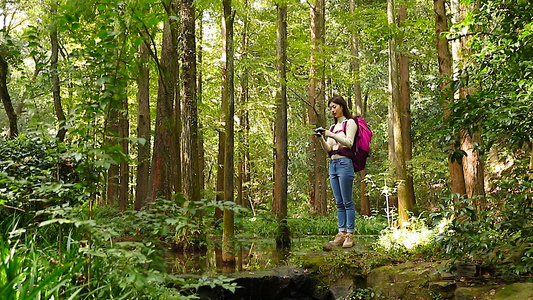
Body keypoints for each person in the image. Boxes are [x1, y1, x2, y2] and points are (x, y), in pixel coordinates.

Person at [314, 95, 357, 248]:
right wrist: (321, 138)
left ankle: (350, 234)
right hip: (333, 164)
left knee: (347, 201)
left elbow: (349, 143)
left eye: (334, 107)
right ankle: (341, 232)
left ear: (342, 106)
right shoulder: (332, 127)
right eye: (330, 108)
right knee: (339, 202)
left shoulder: (349, 123)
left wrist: (331, 134)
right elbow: (329, 149)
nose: (332, 110)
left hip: (345, 163)